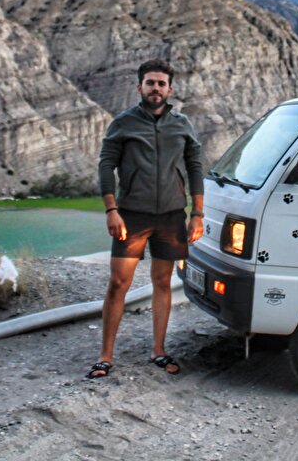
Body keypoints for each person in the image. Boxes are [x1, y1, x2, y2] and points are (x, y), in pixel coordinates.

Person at [87, 59, 204, 379]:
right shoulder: (123, 123)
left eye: (161, 83)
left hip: (171, 216)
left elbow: (195, 167)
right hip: (131, 216)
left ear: (170, 89)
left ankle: (159, 350)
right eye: (150, 83)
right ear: (140, 87)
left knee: (163, 282)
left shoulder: (182, 124)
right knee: (118, 284)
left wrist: (197, 214)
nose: (156, 88)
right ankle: (105, 356)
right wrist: (111, 210)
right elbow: (106, 165)